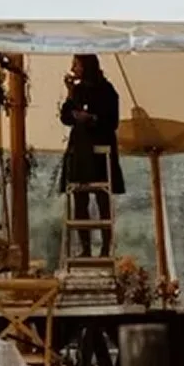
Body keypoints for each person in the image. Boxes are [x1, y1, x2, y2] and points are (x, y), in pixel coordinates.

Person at [59, 54, 125, 257]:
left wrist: (93, 118)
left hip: (99, 150)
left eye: (76, 64)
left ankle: (106, 247)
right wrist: (70, 93)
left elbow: (112, 121)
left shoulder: (107, 90)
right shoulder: (77, 91)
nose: (73, 68)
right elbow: (65, 117)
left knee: (102, 198)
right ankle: (85, 247)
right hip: (80, 148)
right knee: (80, 198)